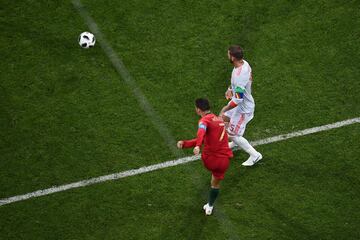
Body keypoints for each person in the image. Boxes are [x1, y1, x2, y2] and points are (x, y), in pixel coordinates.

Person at [177, 98, 233, 215]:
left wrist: (196, 146)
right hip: (224, 162)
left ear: (198, 110)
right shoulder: (219, 120)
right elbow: (205, 137)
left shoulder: (204, 120)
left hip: (210, 160)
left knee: (212, 168)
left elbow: (201, 133)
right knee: (215, 183)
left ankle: (209, 206)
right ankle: (210, 207)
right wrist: (187, 143)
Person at [219, 45, 262, 166]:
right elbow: (248, 80)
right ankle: (234, 143)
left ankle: (255, 155)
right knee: (224, 119)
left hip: (243, 109)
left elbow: (238, 99)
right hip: (238, 104)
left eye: (228, 54)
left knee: (233, 134)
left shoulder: (240, 75)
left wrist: (225, 108)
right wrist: (230, 89)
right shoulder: (244, 64)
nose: (227, 56)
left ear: (233, 57)